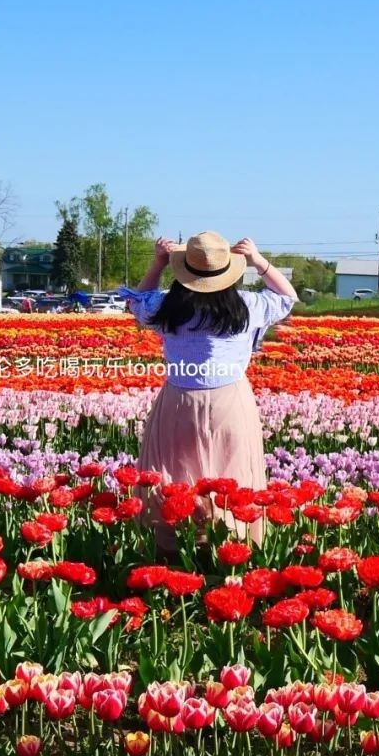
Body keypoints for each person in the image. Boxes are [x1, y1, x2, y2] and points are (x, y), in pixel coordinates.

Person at [118, 230, 298, 556]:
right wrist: (258, 261)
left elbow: (135, 301)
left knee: (173, 474)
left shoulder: (167, 306)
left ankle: (172, 550)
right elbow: (287, 298)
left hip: (179, 399)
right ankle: (232, 548)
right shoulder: (248, 305)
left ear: (184, 271)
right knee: (234, 472)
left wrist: (158, 263)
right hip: (231, 400)